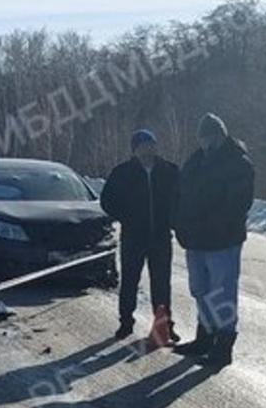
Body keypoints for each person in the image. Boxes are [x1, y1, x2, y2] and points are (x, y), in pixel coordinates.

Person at [173, 113, 254, 368]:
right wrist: (180, 224)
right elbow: (181, 196)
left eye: (212, 137)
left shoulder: (237, 162)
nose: (207, 142)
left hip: (223, 240)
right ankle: (205, 336)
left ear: (222, 135)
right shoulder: (194, 162)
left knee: (222, 293)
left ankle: (224, 344)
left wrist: (212, 225)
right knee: (200, 289)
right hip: (196, 240)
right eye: (203, 137)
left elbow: (237, 204)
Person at [100, 129, 180, 341]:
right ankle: (126, 322)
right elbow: (107, 200)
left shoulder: (169, 171)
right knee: (129, 281)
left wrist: (174, 220)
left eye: (151, 144)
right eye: (143, 145)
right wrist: (126, 217)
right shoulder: (123, 172)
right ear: (135, 149)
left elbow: (182, 199)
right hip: (133, 237)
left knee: (162, 283)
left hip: (161, 236)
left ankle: (163, 327)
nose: (148, 149)